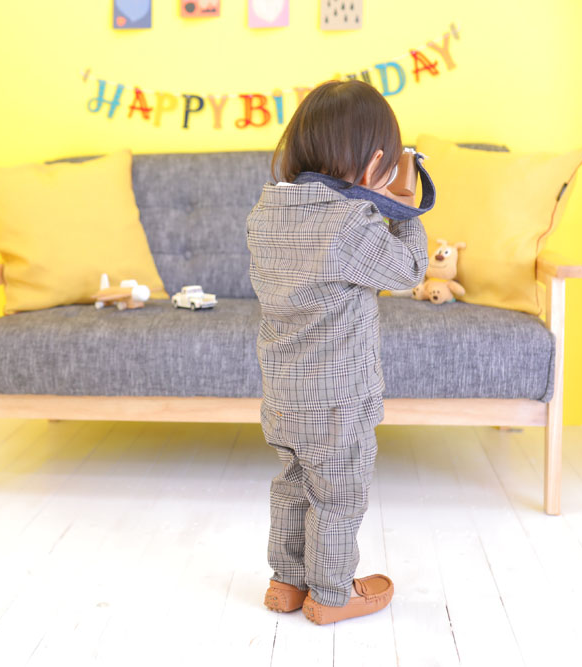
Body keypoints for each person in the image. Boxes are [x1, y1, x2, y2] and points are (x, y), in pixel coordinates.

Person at [246, 79, 432, 625]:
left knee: (293, 485)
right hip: (338, 400)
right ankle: (330, 595)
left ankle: (286, 582)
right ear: (375, 162)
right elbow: (409, 270)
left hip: (282, 395)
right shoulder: (352, 223)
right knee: (338, 495)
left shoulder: (266, 211)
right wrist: (403, 207)